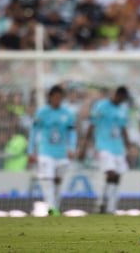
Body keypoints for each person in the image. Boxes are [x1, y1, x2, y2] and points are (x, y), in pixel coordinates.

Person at [80, 86, 131, 214]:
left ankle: (109, 206)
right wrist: (84, 145)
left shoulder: (123, 109)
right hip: (103, 145)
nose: (122, 100)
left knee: (117, 176)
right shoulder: (101, 106)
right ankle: (101, 202)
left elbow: (124, 129)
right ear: (117, 95)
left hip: (118, 147)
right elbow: (92, 125)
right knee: (111, 173)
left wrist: (128, 147)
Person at [27, 85, 77, 216]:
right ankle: (51, 208)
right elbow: (34, 132)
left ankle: (55, 207)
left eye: (60, 97)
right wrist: (31, 150)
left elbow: (72, 133)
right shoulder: (42, 113)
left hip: (61, 153)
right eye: (55, 97)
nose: (57, 100)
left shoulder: (67, 114)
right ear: (50, 97)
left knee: (57, 181)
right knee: (48, 180)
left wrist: (72, 148)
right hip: (45, 152)